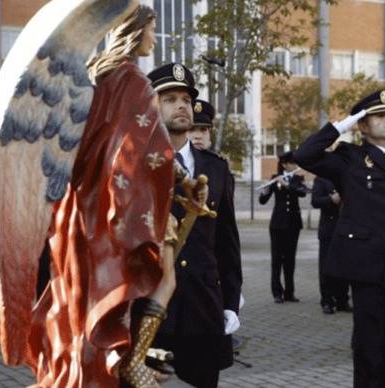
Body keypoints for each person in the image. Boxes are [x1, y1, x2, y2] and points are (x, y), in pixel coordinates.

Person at [25, 6, 195, 387]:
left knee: (85, 291)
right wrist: (181, 180)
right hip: (121, 202)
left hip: (86, 204)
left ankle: (103, 360)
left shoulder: (96, 73)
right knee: (156, 279)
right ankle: (132, 359)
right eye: (151, 29)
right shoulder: (133, 80)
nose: (154, 37)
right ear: (135, 31)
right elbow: (145, 148)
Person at [294, 89, 385, 388]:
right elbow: (304, 154)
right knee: (369, 348)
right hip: (369, 269)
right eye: (378, 115)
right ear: (362, 124)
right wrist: (342, 126)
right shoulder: (350, 158)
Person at [147, 66, 243, 388]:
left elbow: (227, 243)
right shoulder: (135, 166)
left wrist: (230, 301)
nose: (182, 106)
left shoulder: (214, 168)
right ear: (152, 107)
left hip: (203, 306)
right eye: (170, 98)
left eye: (186, 99)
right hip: (152, 309)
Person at [259, 151, 309, 303]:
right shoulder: (275, 179)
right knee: (276, 260)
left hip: (293, 224)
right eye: (292, 163)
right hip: (277, 224)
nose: (295, 165)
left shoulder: (298, 179)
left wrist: (287, 185)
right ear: (286, 164)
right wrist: (265, 190)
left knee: (290, 259)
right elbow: (263, 201)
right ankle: (277, 293)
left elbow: (302, 193)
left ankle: (289, 292)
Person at [311, 175, 351, 314]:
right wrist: (330, 199)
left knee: (344, 267)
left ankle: (342, 300)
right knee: (326, 267)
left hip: (345, 229)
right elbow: (315, 201)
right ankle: (327, 301)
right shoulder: (321, 179)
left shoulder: (345, 178)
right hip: (328, 230)